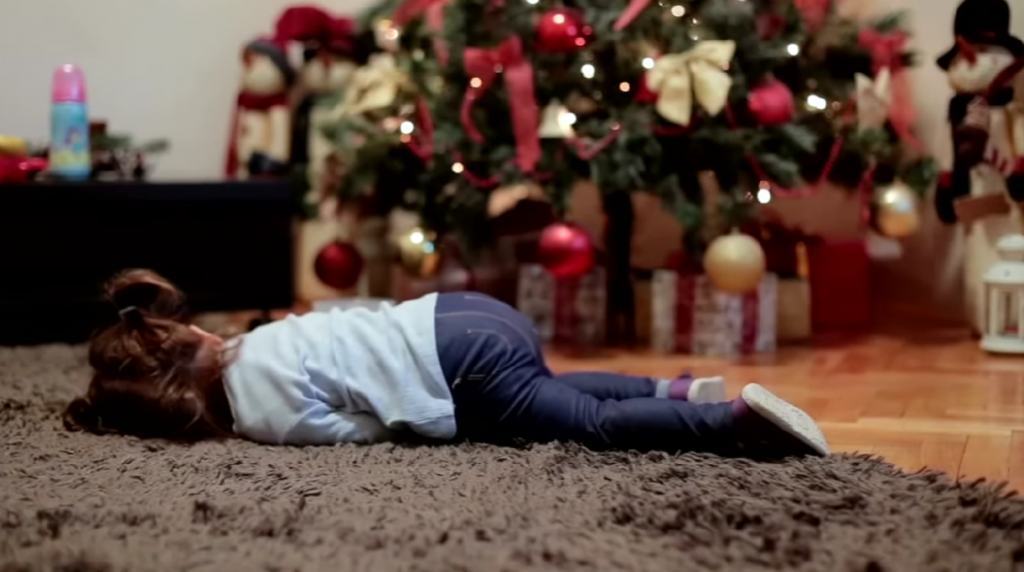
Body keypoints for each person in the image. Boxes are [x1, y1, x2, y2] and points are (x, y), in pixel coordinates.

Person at [64, 269, 829, 457]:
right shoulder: (258, 339)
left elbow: (350, 432)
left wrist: (394, 423)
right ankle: (672, 385)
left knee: (585, 424)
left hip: (457, 366)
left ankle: (728, 423)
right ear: (186, 332)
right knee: (550, 386)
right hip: (456, 311)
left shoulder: (259, 413)